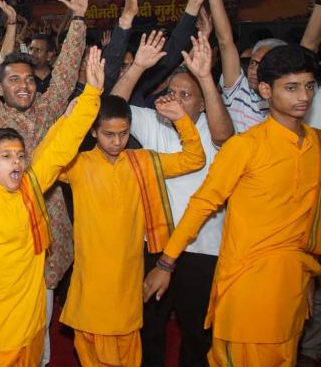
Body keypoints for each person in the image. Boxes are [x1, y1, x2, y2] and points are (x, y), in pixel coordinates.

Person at [144, 45, 320, 366]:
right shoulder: (245, 147)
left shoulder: (315, 145)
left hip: (292, 287)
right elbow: (201, 205)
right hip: (246, 286)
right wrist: (166, 264)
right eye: (292, 87)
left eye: (309, 86)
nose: (304, 96)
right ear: (265, 90)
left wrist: (307, 275)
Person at [0, 41, 103, 366]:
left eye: (20, 156)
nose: (17, 163)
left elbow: (62, 147)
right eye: (6, 157)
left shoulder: (32, 188)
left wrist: (92, 93)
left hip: (27, 326)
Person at [112, 31, 233, 366]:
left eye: (186, 95)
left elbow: (226, 137)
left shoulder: (213, 125)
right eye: (171, 92)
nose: (175, 100)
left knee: (196, 331)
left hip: (202, 248)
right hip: (154, 243)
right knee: (150, 326)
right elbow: (112, 108)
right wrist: (137, 68)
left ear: (202, 103)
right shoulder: (154, 122)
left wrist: (205, 78)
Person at [58, 90, 204, 367]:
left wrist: (181, 120)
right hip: (91, 288)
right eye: (108, 135)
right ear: (93, 132)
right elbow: (44, 162)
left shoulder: (142, 162)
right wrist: (67, 121)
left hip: (128, 287)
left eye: (123, 134)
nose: (117, 142)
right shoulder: (78, 165)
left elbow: (194, 158)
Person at [202, 0, 287, 132]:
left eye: (262, 65)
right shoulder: (239, 91)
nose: (254, 70)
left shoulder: (289, 104)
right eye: (253, 63)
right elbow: (225, 41)